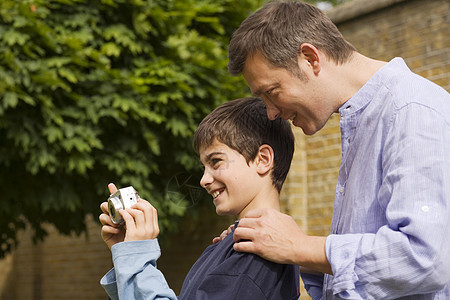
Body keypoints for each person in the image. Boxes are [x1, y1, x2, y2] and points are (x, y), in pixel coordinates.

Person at [223, 1, 450, 299]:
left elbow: (426, 259)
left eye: (271, 91)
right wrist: (275, 243)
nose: (270, 112)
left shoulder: (411, 109)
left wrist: (299, 246)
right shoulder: (364, 118)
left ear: (310, 58)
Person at [99, 97, 300, 299]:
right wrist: (124, 256)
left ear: (262, 159)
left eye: (216, 161)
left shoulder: (258, 251)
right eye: (204, 167)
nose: (204, 180)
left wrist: (136, 256)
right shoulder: (231, 246)